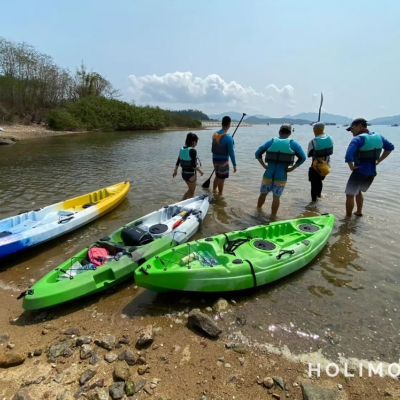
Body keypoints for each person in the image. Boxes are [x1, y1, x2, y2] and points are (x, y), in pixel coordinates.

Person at [345, 118, 394, 217]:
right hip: (371, 172)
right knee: (358, 191)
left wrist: (351, 166)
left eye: (352, 128)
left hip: (359, 171)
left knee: (350, 194)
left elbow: (348, 156)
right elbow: (390, 147)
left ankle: (347, 218)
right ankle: (359, 212)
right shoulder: (378, 136)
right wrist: (379, 160)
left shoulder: (358, 139)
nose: (351, 131)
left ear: (360, 125)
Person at [255, 124, 306, 217]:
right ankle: (272, 218)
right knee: (276, 198)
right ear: (290, 133)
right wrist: (292, 168)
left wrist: (263, 165)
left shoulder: (271, 141)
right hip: (281, 175)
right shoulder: (293, 144)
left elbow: (257, 153)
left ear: (279, 132)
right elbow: (303, 158)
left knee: (263, 194)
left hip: (268, 174)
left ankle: (257, 213)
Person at [307, 122, 334, 201]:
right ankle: (319, 196)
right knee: (319, 181)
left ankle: (313, 202)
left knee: (314, 184)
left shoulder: (313, 141)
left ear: (315, 130)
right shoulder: (330, 138)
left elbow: (308, 154)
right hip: (327, 166)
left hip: (316, 166)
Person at [173, 132, 204, 200]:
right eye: (196, 141)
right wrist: (200, 171)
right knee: (191, 191)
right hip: (190, 175)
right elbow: (193, 165)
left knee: (190, 189)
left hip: (183, 174)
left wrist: (175, 171)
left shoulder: (182, 149)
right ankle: (189, 204)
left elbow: (178, 161)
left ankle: (182, 201)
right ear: (193, 142)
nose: (196, 143)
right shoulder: (192, 151)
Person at [211, 116, 237, 195]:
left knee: (217, 176)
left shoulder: (215, 134)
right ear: (229, 124)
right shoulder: (229, 137)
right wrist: (234, 165)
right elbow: (231, 153)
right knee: (221, 179)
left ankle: (214, 191)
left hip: (215, 159)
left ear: (222, 123)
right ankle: (220, 195)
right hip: (223, 161)